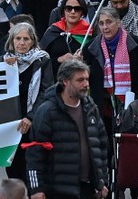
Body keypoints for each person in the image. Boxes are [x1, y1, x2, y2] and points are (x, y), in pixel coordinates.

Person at [26, 60, 110, 199]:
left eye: (87, 79)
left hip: (89, 189)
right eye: (80, 80)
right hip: (58, 191)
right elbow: (35, 153)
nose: (86, 84)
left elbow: (101, 147)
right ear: (65, 81)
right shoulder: (47, 111)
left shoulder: (91, 108)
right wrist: (36, 189)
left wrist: (102, 182)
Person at [83, 7, 138, 140]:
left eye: (109, 22)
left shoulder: (135, 44)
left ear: (118, 23)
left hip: (132, 107)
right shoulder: (91, 48)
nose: (105, 27)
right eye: (101, 23)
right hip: (104, 105)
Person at [0, 23, 53, 191]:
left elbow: (46, 91)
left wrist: (31, 117)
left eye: (26, 39)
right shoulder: (2, 61)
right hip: (11, 126)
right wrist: (7, 68)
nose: (21, 43)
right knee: (13, 167)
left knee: (32, 166)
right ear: (12, 41)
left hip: (33, 124)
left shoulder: (42, 60)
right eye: (18, 39)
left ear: (32, 41)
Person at [40, 0, 93, 79]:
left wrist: (82, 60)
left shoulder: (89, 34)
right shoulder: (53, 30)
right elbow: (41, 60)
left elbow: (94, 63)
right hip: (54, 82)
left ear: (82, 12)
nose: (73, 12)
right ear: (63, 11)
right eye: (69, 8)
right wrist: (59, 59)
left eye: (77, 9)